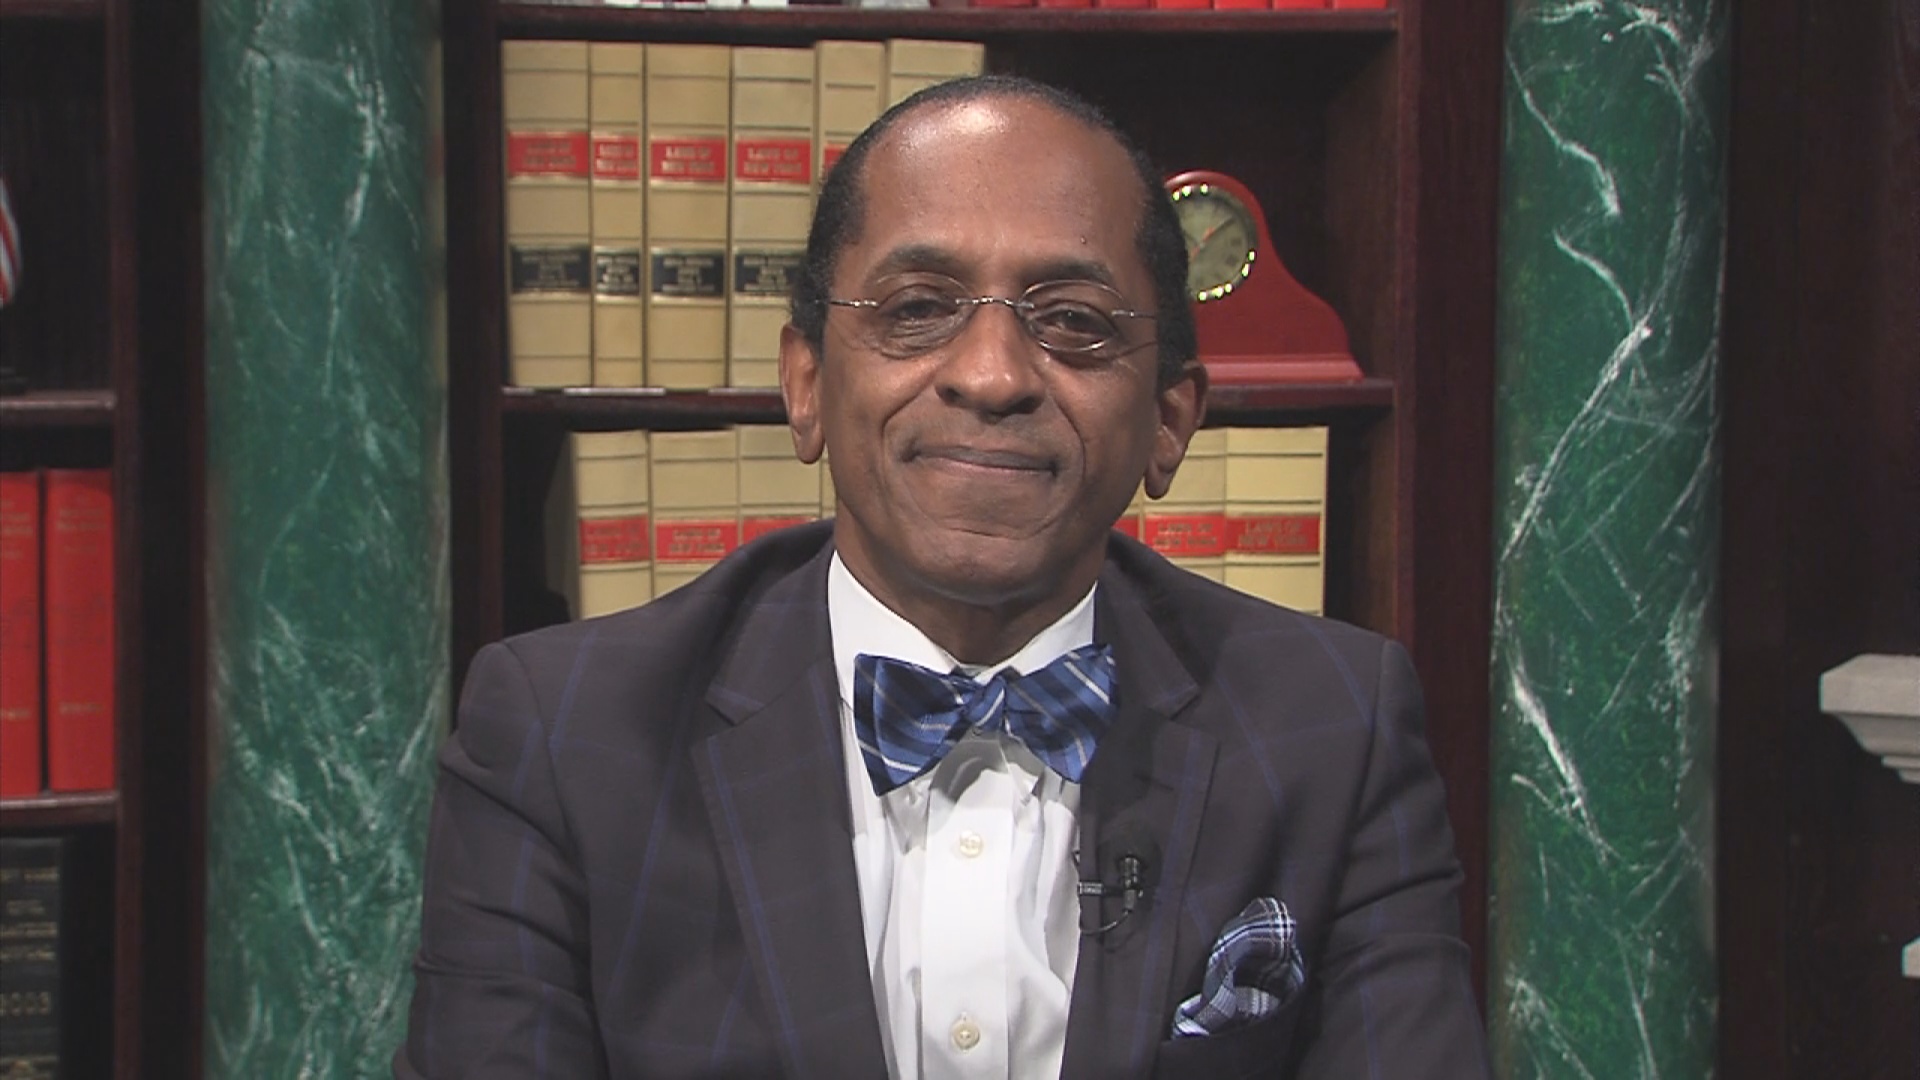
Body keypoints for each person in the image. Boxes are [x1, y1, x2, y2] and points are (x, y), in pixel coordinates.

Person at [397, 75, 1490, 1079]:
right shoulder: (563, 737)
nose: (991, 375)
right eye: (917, 309)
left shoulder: (1334, 728)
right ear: (806, 386)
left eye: (1073, 322)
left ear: (1169, 420)